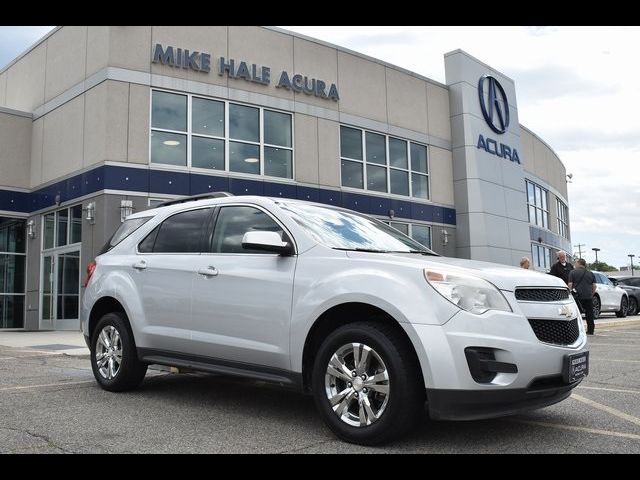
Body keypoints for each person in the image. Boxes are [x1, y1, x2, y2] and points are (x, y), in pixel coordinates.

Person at [568, 258, 597, 335]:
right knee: (589, 314)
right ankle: (591, 330)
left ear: (579, 263)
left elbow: (570, 284)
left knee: (577, 314)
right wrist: (592, 294)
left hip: (577, 297)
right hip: (588, 296)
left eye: (576, 263)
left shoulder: (573, 272)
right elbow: (594, 286)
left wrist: (570, 293)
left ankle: (577, 331)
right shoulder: (590, 273)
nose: (575, 264)